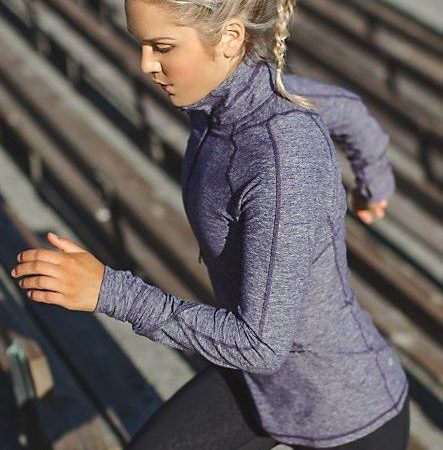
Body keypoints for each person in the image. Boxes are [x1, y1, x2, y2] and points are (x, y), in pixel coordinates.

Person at [10, 0, 410, 449]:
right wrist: (374, 184)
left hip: (343, 411)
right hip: (259, 382)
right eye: (140, 44)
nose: (145, 65)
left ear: (230, 38)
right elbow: (350, 112)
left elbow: (259, 345)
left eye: (162, 47)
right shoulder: (227, 102)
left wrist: (109, 292)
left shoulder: (282, 160)